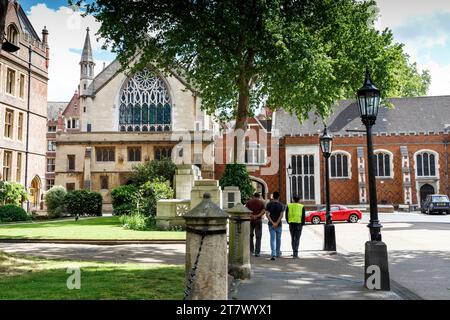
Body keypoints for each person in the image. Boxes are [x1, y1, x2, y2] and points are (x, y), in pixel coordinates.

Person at [265, 191, 285, 260]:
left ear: (273, 197)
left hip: (271, 225)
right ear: (278, 197)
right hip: (279, 225)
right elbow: (281, 215)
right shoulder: (281, 205)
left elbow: (267, 215)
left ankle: (273, 254)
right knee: (278, 239)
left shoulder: (269, 204)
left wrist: (273, 223)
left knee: (272, 239)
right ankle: (277, 252)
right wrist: (276, 223)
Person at [245, 192, 266, 257]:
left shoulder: (249, 202)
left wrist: (252, 215)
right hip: (258, 220)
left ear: (253, 196)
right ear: (259, 196)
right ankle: (257, 252)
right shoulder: (261, 202)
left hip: (250, 220)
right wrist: (257, 216)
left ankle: (251, 250)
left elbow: (246, 210)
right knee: (258, 236)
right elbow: (263, 211)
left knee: (250, 235)